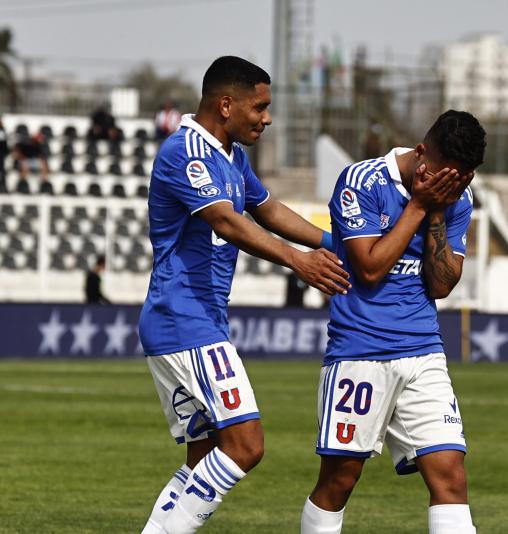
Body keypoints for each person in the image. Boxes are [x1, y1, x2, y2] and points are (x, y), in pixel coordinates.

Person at [138, 56, 351, 534]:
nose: (267, 118)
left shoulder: (232, 154)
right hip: (184, 319)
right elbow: (227, 221)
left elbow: (268, 209)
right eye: (260, 107)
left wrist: (334, 244)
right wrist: (297, 261)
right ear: (226, 103)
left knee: (204, 458)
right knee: (247, 445)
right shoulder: (185, 151)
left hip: (195, 321)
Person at [300, 110, 485, 534]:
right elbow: (368, 269)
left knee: (451, 477)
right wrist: (419, 206)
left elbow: (441, 287)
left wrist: (437, 212)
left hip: (423, 352)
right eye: (445, 176)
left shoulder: (457, 195)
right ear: (421, 155)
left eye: (463, 179)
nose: (453, 186)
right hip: (360, 353)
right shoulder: (361, 181)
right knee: (340, 481)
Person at [0, 117, 7, 192]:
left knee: (2, 170)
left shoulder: (3, 130)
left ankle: (3, 185)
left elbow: (5, 143)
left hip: (1, 153)